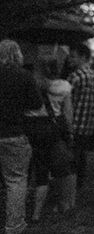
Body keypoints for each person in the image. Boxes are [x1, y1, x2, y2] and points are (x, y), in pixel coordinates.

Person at [25, 56, 77, 221]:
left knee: (36, 170)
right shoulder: (64, 87)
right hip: (53, 131)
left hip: (32, 130)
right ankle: (63, 204)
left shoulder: (31, 83)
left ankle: (32, 211)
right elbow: (68, 114)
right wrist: (70, 132)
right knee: (61, 167)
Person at [0, 39, 43, 234]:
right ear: (17, 54)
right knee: (15, 180)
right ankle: (14, 226)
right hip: (14, 133)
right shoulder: (24, 76)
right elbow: (36, 104)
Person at [66, 43, 94, 189]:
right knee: (81, 155)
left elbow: (67, 102)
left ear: (83, 57)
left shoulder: (75, 76)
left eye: (73, 56)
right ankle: (79, 185)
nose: (70, 59)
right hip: (87, 125)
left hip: (73, 124)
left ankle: (70, 188)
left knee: (71, 158)